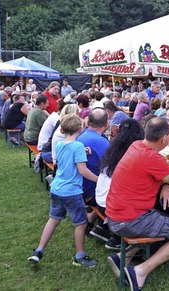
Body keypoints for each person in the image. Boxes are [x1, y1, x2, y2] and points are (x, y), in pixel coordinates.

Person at [106, 118, 169, 290]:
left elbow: (152, 171)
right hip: (130, 220)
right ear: (163, 139)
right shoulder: (151, 157)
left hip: (115, 215)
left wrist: (167, 184)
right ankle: (139, 271)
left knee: (162, 219)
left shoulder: (137, 145)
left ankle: (121, 258)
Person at [27, 114, 100, 267]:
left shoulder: (60, 144)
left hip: (56, 188)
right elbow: (83, 171)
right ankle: (80, 256)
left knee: (53, 219)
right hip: (71, 192)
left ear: (61, 129)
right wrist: (99, 180)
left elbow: (68, 157)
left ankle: (39, 251)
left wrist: (83, 152)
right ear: (81, 129)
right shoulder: (77, 146)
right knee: (81, 224)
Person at [94, 119, 144, 250]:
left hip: (100, 201)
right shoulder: (133, 153)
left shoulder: (113, 149)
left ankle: (103, 227)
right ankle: (118, 239)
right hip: (111, 207)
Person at [76, 108, 111, 241]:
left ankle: (91, 220)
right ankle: (105, 228)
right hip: (92, 192)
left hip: (81, 187)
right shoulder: (101, 142)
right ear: (106, 124)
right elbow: (113, 167)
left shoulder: (83, 135)